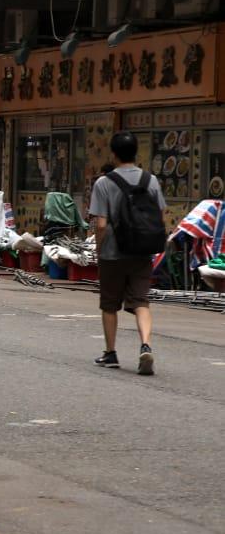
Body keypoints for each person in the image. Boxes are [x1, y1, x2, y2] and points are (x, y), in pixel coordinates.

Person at [89, 132, 165, 375]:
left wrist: (99, 249)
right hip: (142, 251)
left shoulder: (104, 183)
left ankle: (110, 353)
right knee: (141, 301)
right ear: (136, 153)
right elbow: (160, 216)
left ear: (114, 154)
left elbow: (101, 224)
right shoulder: (150, 180)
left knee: (110, 304)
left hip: (113, 252)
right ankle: (146, 344)